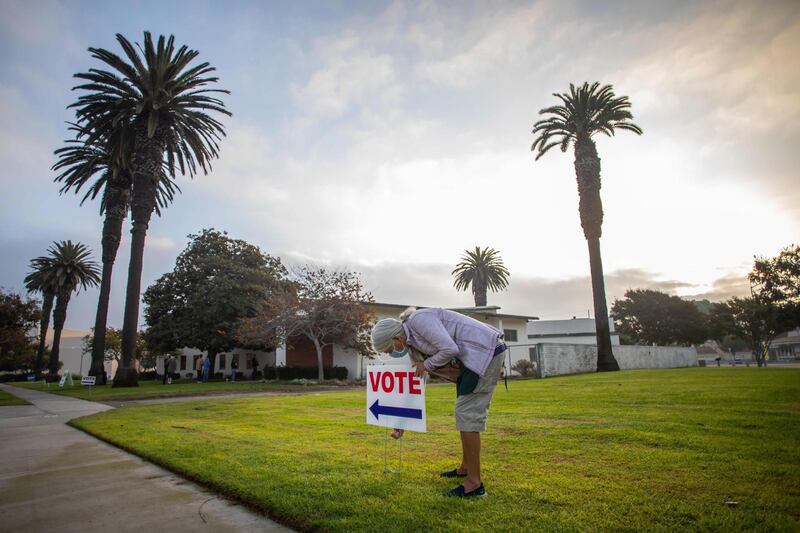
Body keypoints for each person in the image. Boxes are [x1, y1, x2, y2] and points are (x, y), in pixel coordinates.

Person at [371, 307, 506, 498]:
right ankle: (465, 468)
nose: (393, 353)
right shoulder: (412, 346)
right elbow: (418, 383)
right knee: (463, 412)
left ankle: (475, 485)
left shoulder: (419, 320)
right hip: (469, 361)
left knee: (466, 412)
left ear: (396, 339)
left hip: (486, 352)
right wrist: (402, 423)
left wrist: (425, 364)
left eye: (390, 349)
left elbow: (450, 349)